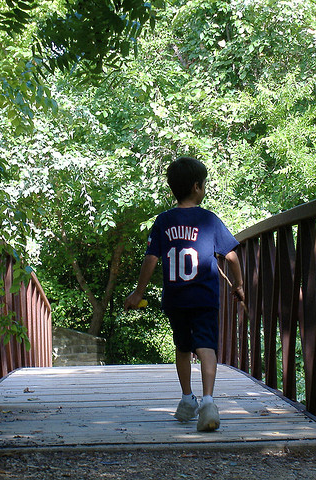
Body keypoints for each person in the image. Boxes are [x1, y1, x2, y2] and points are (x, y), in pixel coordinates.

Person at [124, 156, 244, 432]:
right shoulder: (209, 220)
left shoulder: (164, 221)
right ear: (197, 187)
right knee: (206, 348)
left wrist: (138, 291)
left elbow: (151, 259)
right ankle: (209, 402)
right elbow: (232, 257)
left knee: (182, 347)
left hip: (176, 298)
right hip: (204, 297)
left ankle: (187, 399)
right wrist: (238, 285)